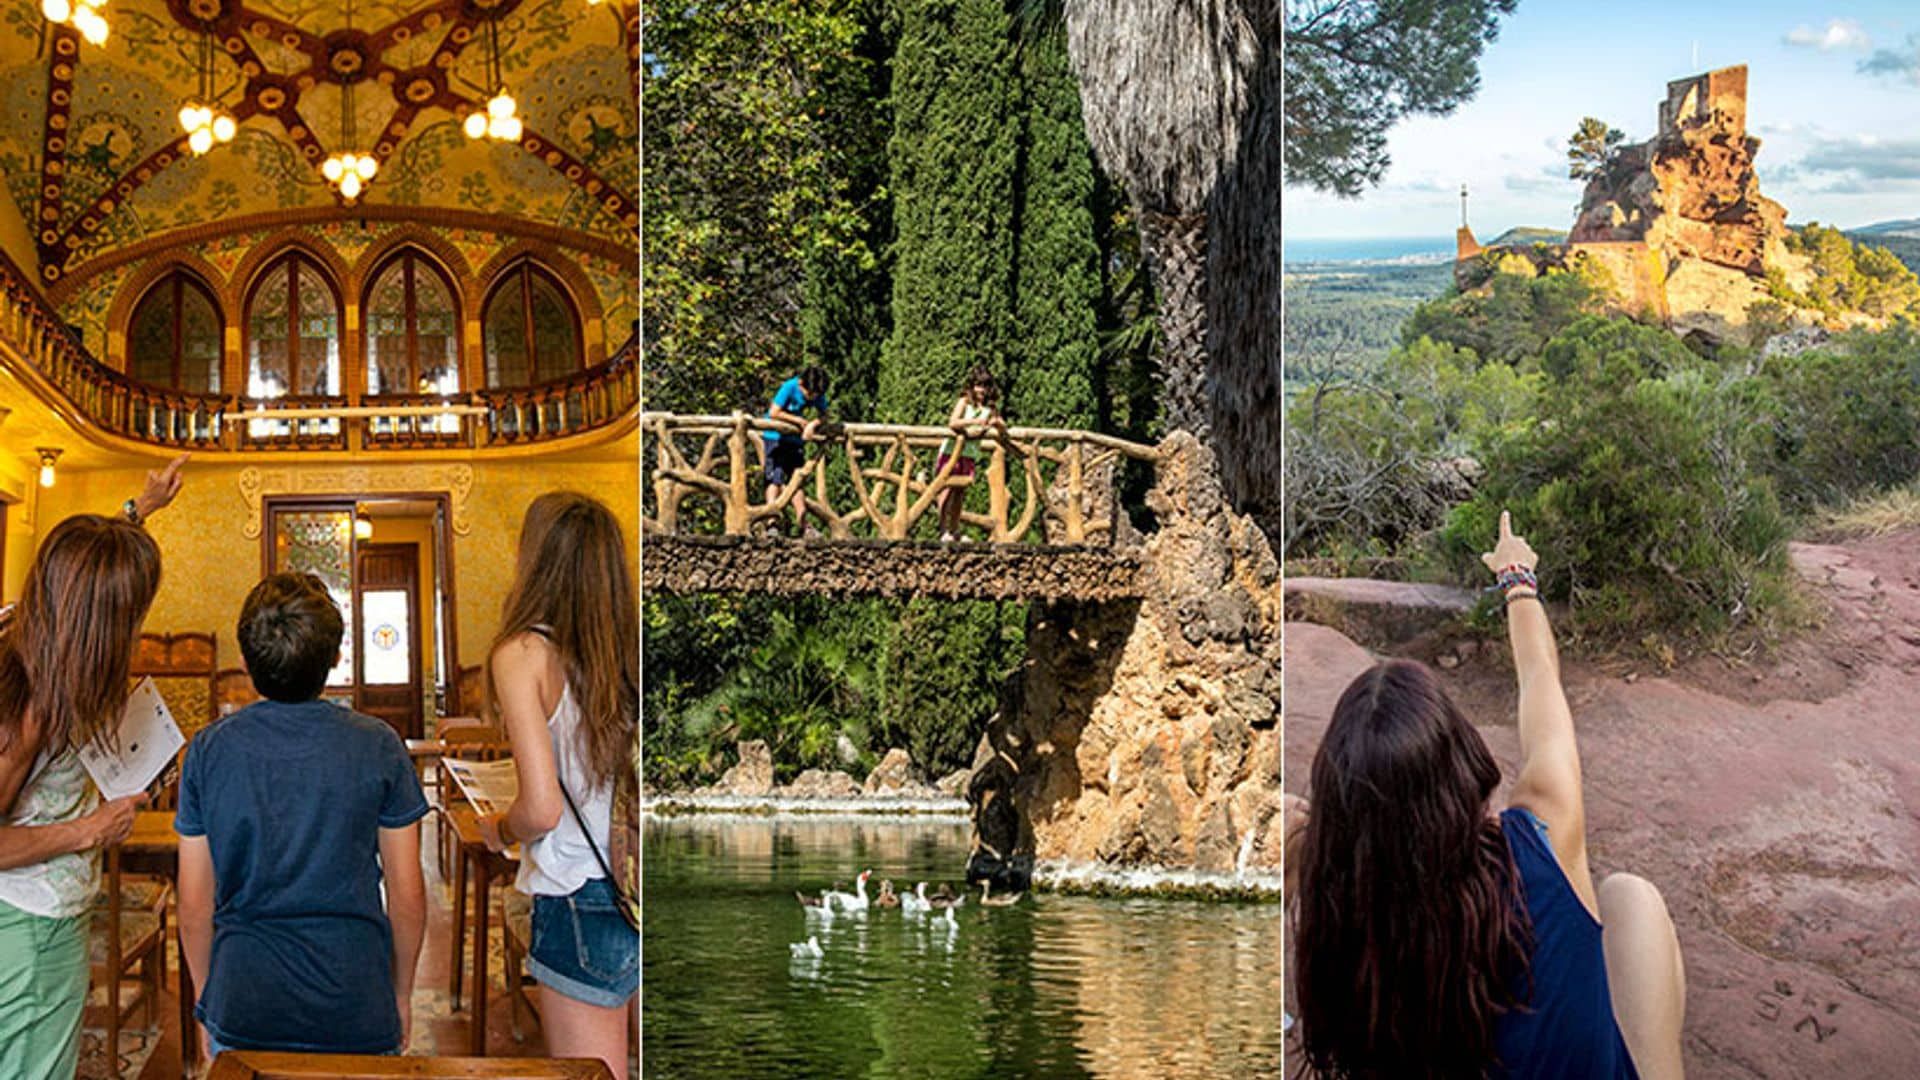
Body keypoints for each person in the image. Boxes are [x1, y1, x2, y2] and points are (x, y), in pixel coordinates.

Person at [1288, 512, 1686, 1080]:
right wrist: (1516, 575)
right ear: (1461, 764)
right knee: (1631, 899)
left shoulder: (1342, 926)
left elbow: (1315, 838)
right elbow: (1539, 678)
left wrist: (1318, 835)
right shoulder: (1540, 845)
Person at [175, 573, 428, 1058]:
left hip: (243, 994)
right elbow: (407, 894)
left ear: (247, 664)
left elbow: (193, 903)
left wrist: (208, 997)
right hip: (353, 996)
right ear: (334, 659)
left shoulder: (208, 751)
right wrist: (400, 993)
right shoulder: (379, 744)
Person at [0, 455, 186, 1079]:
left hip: (37, 921)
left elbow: (83, 571)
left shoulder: (31, 632)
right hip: (28, 933)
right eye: (130, 618)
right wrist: (90, 830)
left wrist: (141, 508)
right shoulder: (27, 706)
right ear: (99, 626)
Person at [478, 492, 638, 1078]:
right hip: (641, 879)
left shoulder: (523, 653)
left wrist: (497, 829)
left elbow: (542, 810)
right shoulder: (625, 649)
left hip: (580, 893)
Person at [935, 364, 1007, 543]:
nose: (980, 390)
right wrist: (974, 421)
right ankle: (944, 530)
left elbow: (1002, 426)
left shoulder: (989, 408)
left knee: (960, 492)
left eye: (984, 386)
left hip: (969, 454)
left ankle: (955, 528)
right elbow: (953, 422)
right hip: (951, 452)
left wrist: (996, 423)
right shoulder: (964, 402)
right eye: (977, 385)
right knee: (946, 491)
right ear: (972, 386)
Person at [762, 366, 831, 537]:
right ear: (801, 384)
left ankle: (803, 523)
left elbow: (825, 414)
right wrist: (799, 421)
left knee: (797, 481)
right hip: (775, 437)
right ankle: (772, 521)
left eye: (816, 395)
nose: (813, 398)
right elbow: (774, 412)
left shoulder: (817, 391)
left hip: (794, 440)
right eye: (810, 394)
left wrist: (813, 424)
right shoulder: (789, 387)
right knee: (774, 479)